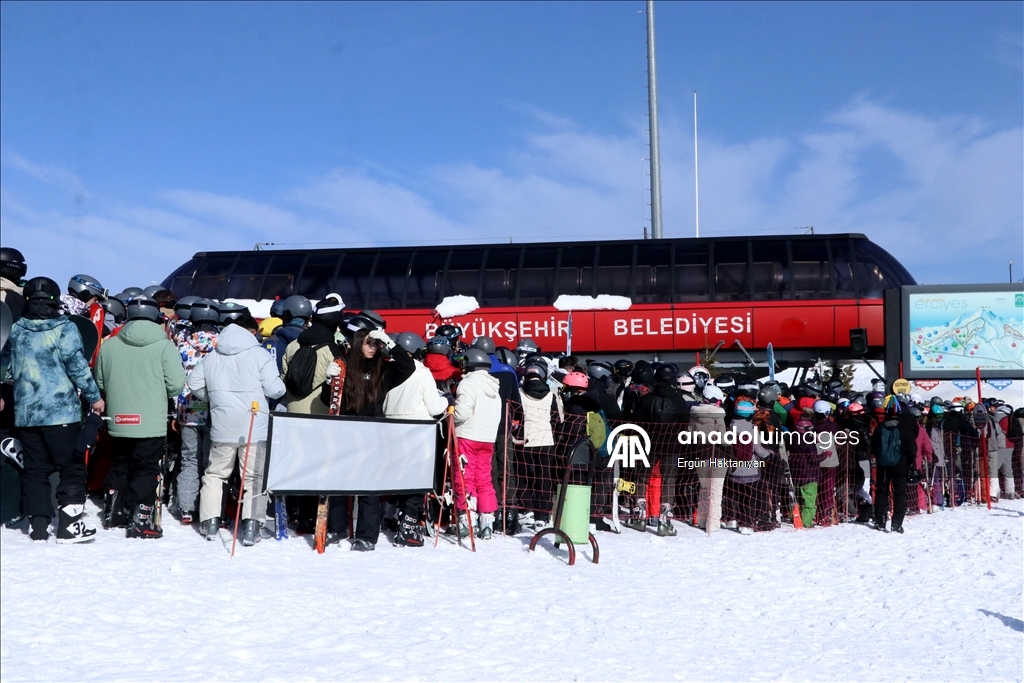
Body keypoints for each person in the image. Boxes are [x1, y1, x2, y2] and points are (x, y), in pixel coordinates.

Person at [8, 277, 104, 542]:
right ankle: (69, 526)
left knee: (35, 470)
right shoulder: (65, 328)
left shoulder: (16, 330)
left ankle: (38, 527)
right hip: (61, 412)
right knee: (71, 467)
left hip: (27, 413)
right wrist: (95, 397)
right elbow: (77, 367)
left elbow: (7, 368)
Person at [188, 313, 285, 545]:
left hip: (222, 424)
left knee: (215, 474)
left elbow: (194, 384)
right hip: (254, 424)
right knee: (253, 477)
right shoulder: (260, 355)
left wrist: (213, 398)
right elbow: (275, 390)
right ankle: (251, 526)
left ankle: (210, 523)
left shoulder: (212, 357)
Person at [94, 297, 186, 539]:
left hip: (119, 418)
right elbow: (176, 385)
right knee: (146, 468)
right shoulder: (164, 346)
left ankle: (113, 511)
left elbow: (100, 382)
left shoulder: (110, 345)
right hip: (150, 419)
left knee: (120, 462)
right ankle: (141, 518)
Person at [324, 315, 415, 550]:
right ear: (356, 342)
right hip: (344, 433)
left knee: (368, 489)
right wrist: (328, 381)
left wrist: (389, 342)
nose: (373, 348)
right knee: (338, 484)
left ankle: (366, 536)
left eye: (376, 344)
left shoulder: (382, 370)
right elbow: (331, 402)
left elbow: (408, 366)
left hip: (373, 436)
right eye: (368, 342)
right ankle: (337, 528)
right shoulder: (343, 365)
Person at [380, 332, 448, 547]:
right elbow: (435, 408)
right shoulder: (420, 372)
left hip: (391, 430)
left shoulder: (386, 370)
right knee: (416, 480)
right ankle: (408, 525)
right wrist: (446, 400)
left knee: (397, 476)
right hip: (418, 432)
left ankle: (390, 515)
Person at [172, 297, 220, 524]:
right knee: (212, 460)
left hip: (189, 404)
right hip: (215, 405)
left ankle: (186, 508)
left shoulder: (181, 341)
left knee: (189, 458)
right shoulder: (223, 344)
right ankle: (210, 509)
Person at [630, 363, 689, 536]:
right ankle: (665, 521)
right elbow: (686, 421)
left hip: (648, 443)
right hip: (672, 445)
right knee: (669, 481)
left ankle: (640, 516)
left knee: (642, 478)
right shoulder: (678, 399)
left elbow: (636, 422)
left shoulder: (646, 398)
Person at [450, 348, 502, 539]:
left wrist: (451, 413)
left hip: (468, 436)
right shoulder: (495, 388)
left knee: (464, 478)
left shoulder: (468, 384)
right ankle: (486, 521)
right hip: (487, 439)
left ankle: (466, 519)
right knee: (484, 479)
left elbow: (462, 413)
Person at [870, 396, 918, 533]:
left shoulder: (881, 427)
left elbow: (874, 447)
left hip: (884, 465)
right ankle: (897, 523)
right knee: (900, 493)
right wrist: (907, 462)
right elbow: (912, 449)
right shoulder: (904, 427)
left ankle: (880, 521)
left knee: (882, 492)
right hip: (900, 464)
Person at [690, 384, 728, 533]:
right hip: (717, 456)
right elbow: (723, 439)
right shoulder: (718, 415)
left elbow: (689, 435)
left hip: (700, 455)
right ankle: (713, 523)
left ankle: (702, 520)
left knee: (704, 489)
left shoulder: (694, 414)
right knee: (716, 491)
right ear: (717, 401)